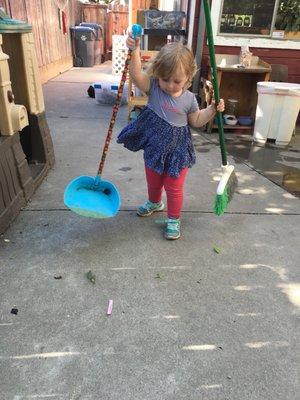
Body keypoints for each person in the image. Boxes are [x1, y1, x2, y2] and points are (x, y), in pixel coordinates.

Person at [117, 32, 225, 240]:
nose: (170, 85)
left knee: (174, 187)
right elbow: (137, 74)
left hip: (177, 150)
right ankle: (154, 202)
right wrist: (134, 49)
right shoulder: (155, 89)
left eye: (177, 81)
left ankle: (173, 218)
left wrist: (212, 109)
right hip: (155, 146)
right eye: (165, 79)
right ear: (158, 74)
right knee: (153, 181)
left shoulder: (189, 100)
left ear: (188, 77)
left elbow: (196, 120)